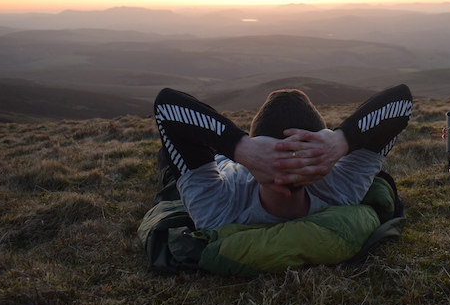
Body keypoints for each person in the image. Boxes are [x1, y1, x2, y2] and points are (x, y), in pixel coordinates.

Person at [153, 84, 413, 230]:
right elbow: (401, 102)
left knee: (170, 155)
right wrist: (340, 141)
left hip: (221, 161)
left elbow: (167, 105)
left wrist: (241, 148)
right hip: (230, 160)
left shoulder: (216, 211)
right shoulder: (342, 190)